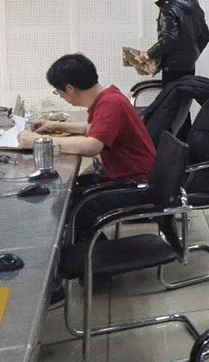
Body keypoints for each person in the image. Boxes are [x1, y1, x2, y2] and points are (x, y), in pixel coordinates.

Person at [19, 53, 157, 241]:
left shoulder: (110, 103)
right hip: (129, 177)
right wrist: (55, 125)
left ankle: (90, 255)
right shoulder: (109, 96)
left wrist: (39, 141)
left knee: (78, 207)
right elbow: (92, 128)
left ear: (70, 88)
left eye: (58, 92)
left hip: (138, 186)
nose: (61, 97)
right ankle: (84, 248)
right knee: (69, 194)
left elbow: (92, 146)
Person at [139, 0, 209, 136]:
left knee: (171, 106)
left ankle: (174, 142)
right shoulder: (193, 4)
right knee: (183, 105)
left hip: (173, 66)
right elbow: (205, 35)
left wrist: (148, 55)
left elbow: (169, 39)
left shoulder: (168, 7)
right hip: (189, 65)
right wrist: (193, 54)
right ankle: (184, 140)